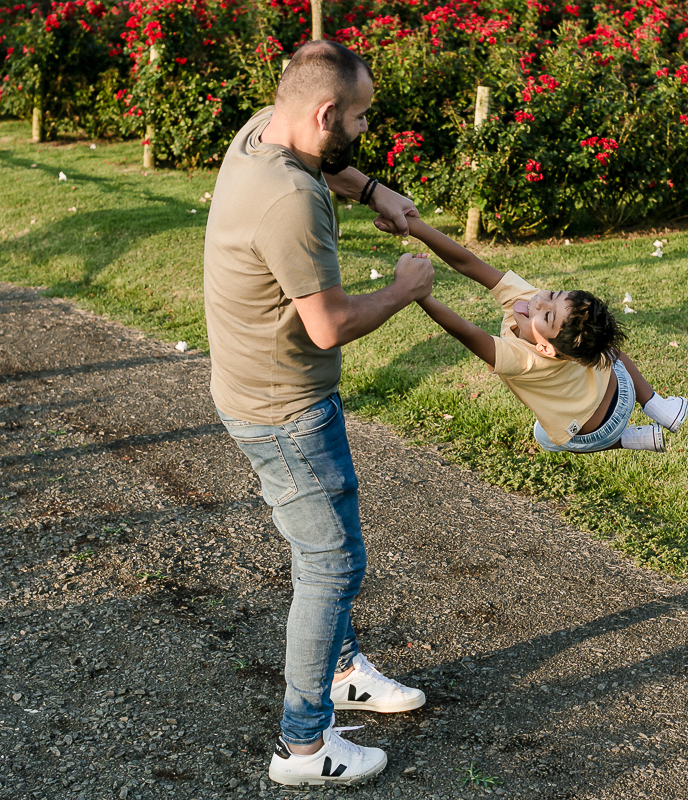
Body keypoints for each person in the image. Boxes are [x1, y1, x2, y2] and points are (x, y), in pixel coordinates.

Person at [203, 40, 433, 787]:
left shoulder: (264, 127)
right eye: (361, 118)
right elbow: (327, 325)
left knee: (322, 553)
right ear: (326, 111)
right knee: (332, 563)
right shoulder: (290, 201)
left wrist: (372, 192)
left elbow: (325, 159)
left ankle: (339, 672)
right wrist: (404, 289)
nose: (365, 131)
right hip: (285, 408)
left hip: (255, 388)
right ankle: (303, 749)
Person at [401, 218, 688, 453]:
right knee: (604, 345)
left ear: (546, 349)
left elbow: (464, 330)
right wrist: (414, 226)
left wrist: (418, 292)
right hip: (621, 387)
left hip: (595, 430)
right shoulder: (530, 303)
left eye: (548, 315)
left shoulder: (524, 359)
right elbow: (468, 263)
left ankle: (626, 439)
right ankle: (656, 405)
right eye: (552, 294)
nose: (539, 302)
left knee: (545, 436)